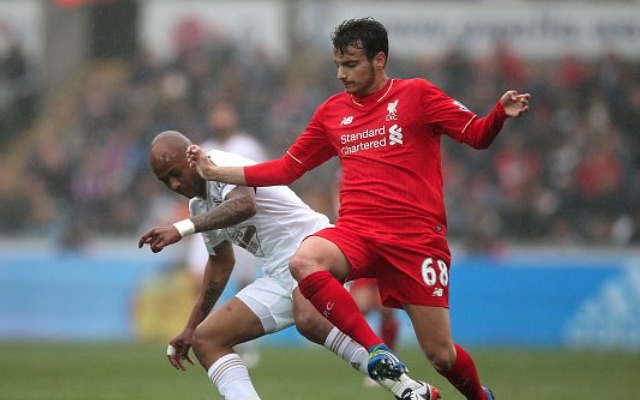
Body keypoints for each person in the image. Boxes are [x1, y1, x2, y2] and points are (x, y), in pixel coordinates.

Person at [186, 17, 531, 400]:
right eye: (337, 64)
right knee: (305, 261)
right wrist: (219, 172)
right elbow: (287, 168)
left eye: (350, 65)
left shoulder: (417, 95)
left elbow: (476, 135)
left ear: (378, 60)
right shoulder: (332, 113)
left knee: (442, 356)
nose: (340, 74)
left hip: (414, 238)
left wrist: (499, 114)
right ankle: (378, 352)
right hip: (357, 231)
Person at [138, 130, 436, 400]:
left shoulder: (222, 164)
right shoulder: (199, 206)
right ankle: (414, 390)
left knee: (309, 318)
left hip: (314, 249)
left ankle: (404, 386)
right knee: (207, 340)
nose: (175, 184)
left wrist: (182, 229)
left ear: (191, 156)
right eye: (166, 181)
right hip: (279, 274)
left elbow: (245, 205)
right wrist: (190, 327)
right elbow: (220, 265)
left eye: (176, 173)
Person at [188, 98, 270, 367]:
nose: (220, 118)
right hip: (212, 218)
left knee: (244, 282)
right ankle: (200, 332)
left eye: (225, 112)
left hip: (241, 219)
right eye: (216, 113)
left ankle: (248, 345)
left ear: (233, 117)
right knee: (198, 274)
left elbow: (259, 180)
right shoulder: (205, 147)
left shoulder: (247, 146)